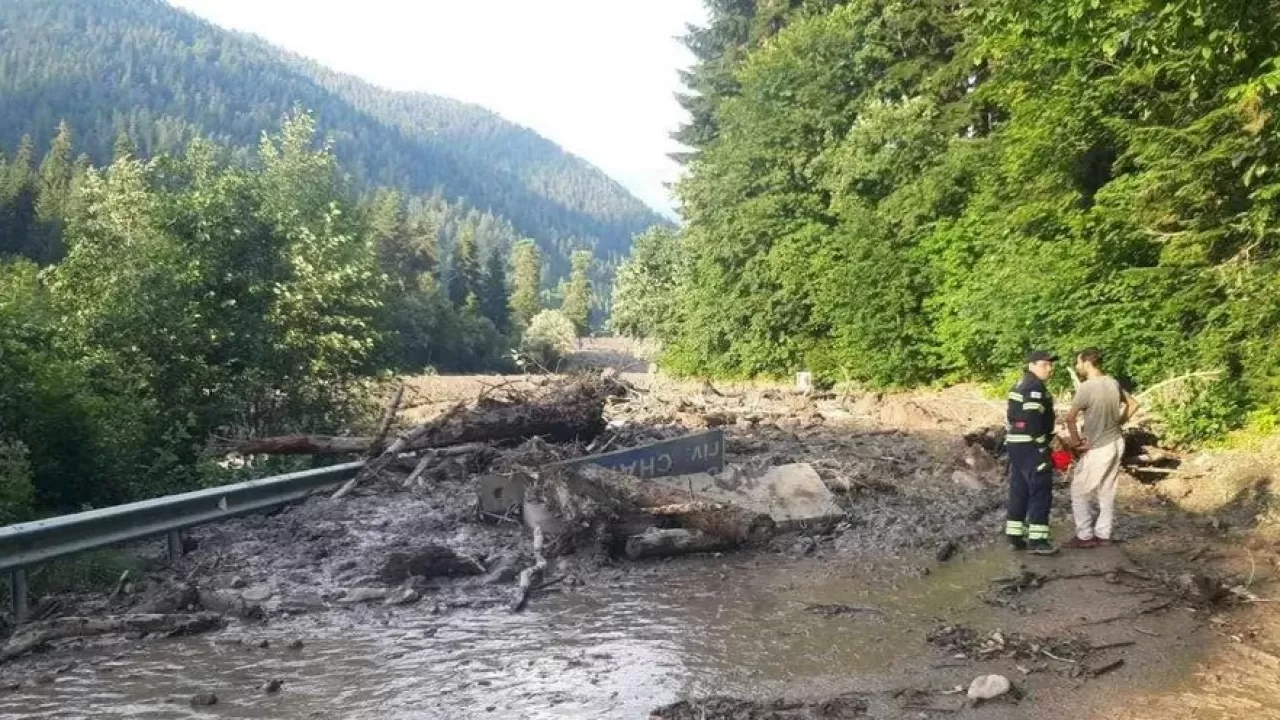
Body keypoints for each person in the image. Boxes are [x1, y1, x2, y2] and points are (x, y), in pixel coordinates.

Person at [1064, 348, 1139, 548]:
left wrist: (1076, 442)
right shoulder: (1112, 382)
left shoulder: (1086, 387)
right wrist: (1118, 423)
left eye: (1078, 363)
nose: (1077, 366)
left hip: (1098, 446)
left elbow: (1070, 418)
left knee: (1079, 490)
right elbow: (1133, 404)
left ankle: (1085, 536)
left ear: (1087, 363)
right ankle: (1104, 534)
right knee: (1107, 490)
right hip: (1116, 442)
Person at [1005, 350, 1060, 555]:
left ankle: (1015, 535)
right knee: (1040, 490)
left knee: (1019, 490)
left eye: (1050, 364)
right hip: (1030, 444)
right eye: (1045, 364)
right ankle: (1038, 540)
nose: (1049, 368)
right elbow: (1032, 417)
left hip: (1016, 443)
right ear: (1032, 366)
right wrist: (1041, 443)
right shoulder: (1034, 387)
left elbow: (1014, 417)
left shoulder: (1019, 384)